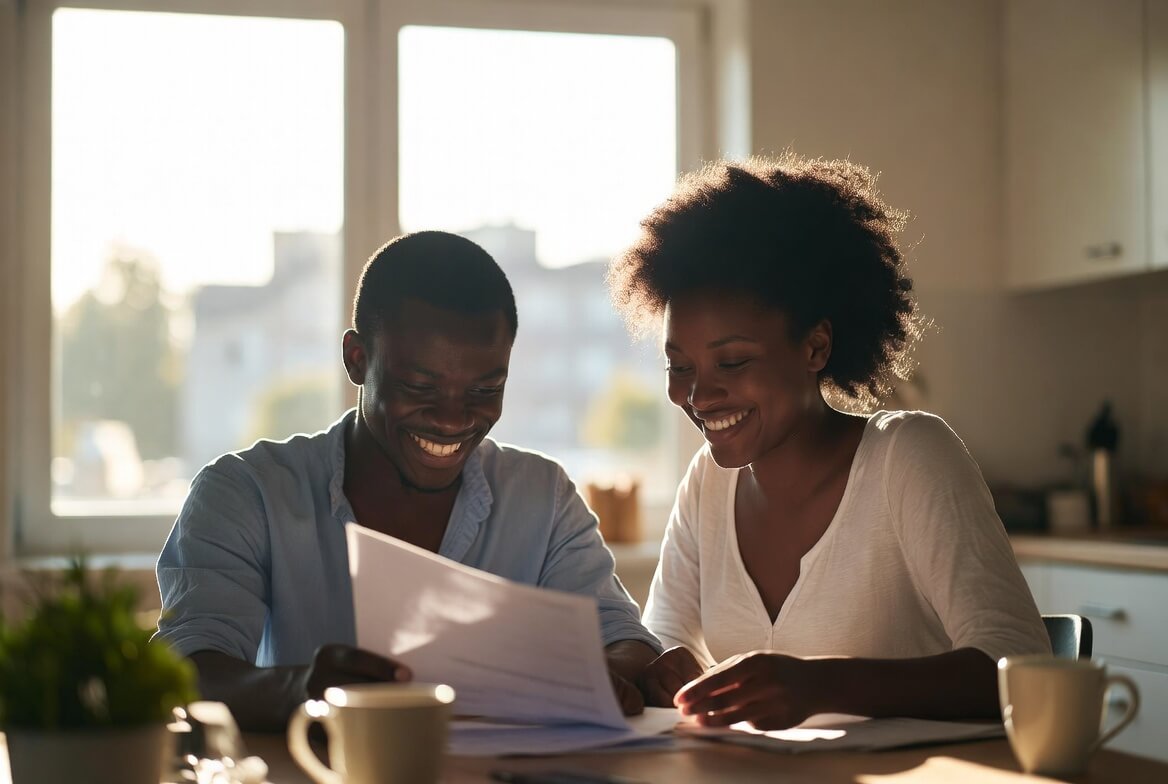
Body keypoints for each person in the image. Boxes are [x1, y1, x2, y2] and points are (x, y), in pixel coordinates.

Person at [607, 153, 1050, 730]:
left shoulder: (909, 457)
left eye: (733, 361)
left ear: (815, 347)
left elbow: (1021, 666)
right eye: (680, 366)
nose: (700, 395)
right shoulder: (707, 482)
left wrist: (822, 683)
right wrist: (661, 671)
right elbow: (665, 639)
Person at [155, 231, 661, 730]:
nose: (451, 419)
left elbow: (627, 641)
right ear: (357, 359)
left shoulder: (542, 498)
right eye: (419, 386)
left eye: (486, 388)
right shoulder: (247, 495)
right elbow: (184, 671)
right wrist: (301, 688)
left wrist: (604, 677)